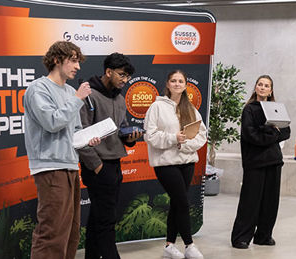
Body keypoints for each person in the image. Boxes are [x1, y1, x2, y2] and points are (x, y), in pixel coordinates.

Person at [24, 41, 100, 259]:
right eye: (74, 60)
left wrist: (87, 140)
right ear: (57, 60)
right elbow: (52, 122)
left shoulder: (69, 91)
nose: (78, 67)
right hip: (49, 167)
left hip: (69, 165)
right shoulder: (38, 89)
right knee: (52, 232)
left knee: (70, 231)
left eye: (78, 61)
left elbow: (74, 130)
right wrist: (77, 99)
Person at [76, 52, 139, 259]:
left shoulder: (120, 99)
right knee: (106, 221)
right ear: (108, 71)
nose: (125, 80)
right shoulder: (89, 96)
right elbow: (80, 134)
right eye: (121, 75)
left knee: (98, 218)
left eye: (127, 76)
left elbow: (121, 130)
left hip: (115, 164)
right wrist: (96, 166)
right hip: (98, 167)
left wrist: (131, 138)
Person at [144, 70, 207, 259]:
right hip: (165, 163)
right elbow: (151, 136)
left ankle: (169, 246)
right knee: (182, 202)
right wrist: (174, 138)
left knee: (176, 203)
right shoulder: (156, 107)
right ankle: (189, 245)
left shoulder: (191, 109)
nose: (177, 84)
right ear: (168, 84)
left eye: (181, 81)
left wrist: (184, 144)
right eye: (174, 80)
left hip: (187, 162)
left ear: (185, 85)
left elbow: (201, 135)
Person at [231, 75, 292, 249]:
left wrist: (268, 132)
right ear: (256, 87)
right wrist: (273, 133)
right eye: (260, 84)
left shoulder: (277, 108)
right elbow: (251, 136)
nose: (263, 88)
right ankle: (241, 238)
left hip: (274, 161)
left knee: (270, 202)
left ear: (271, 90)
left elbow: (287, 131)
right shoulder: (249, 109)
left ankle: (264, 236)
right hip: (255, 162)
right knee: (250, 202)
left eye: (267, 85)